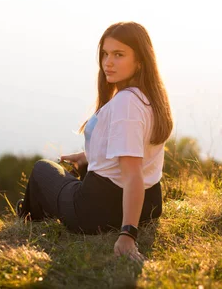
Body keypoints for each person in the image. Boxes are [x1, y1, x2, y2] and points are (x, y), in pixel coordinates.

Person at [18, 21, 173, 261]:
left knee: (41, 170)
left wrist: (128, 235)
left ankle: (27, 221)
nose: (108, 62)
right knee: (65, 175)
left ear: (140, 60)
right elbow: (132, 150)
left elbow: (133, 174)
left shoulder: (125, 104)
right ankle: (30, 215)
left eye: (118, 55)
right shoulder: (148, 98)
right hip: (150, 206)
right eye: (105, 54)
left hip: (98, 211)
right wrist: (88, 156)